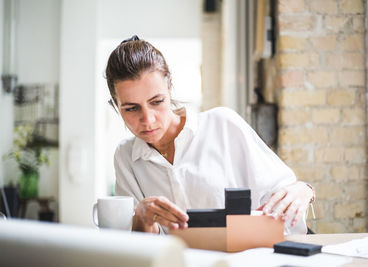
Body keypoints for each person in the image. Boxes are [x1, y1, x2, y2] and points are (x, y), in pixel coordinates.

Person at [105, 35, 315, 234]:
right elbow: (137, 249)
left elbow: (284, 198)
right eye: (131, 108)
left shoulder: (222, 125)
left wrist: (303, 190)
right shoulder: (126, 157)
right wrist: (142, 219)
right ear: (116, 105)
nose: (148, 120)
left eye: (156, 101)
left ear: (170, 86)